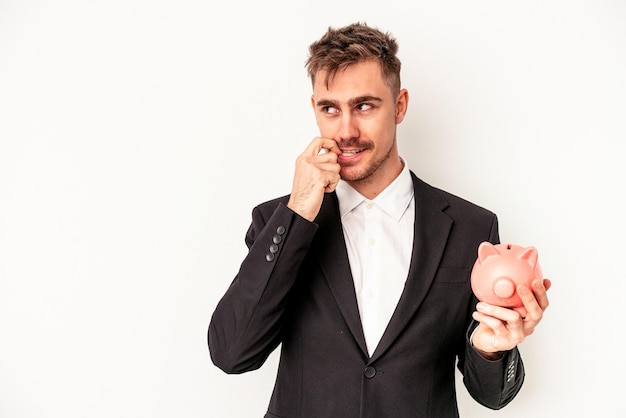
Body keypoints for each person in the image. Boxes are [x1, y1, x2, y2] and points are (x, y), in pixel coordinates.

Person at [208, 22, 551, 418]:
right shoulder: (277, 221)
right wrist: (299, 209)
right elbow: (232, 354)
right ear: (315, 109)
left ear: (400, 105)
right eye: (330, 109)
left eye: (365, 105)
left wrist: (491, 350)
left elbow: (493, 396)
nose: (346, 131)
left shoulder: (472, 227)